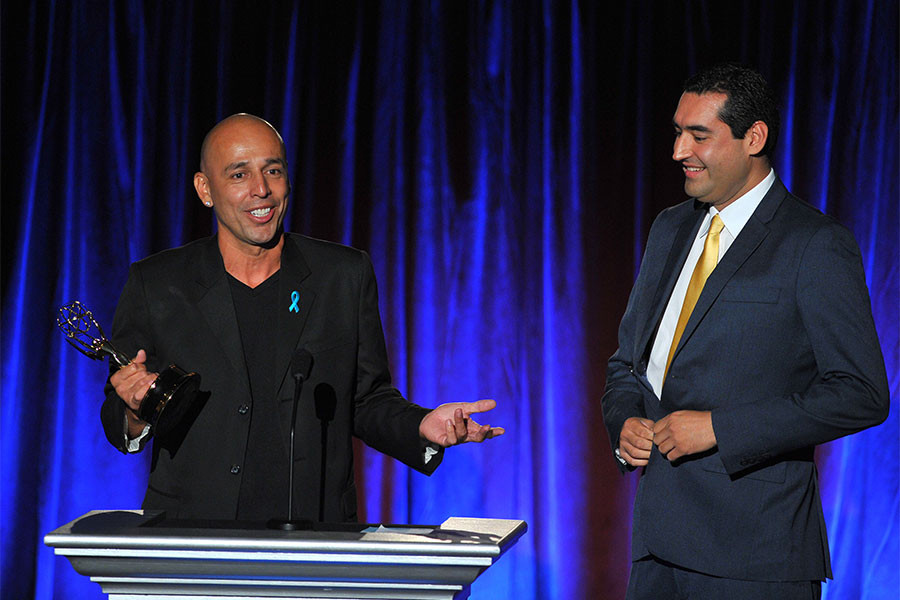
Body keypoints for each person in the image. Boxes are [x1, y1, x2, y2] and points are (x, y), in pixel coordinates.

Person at [101, 113, 504, 522]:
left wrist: (421, 426)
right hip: (192, 540)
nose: (262, 190)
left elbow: (365, 400)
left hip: (315, 537)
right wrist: (135, 410)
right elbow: (116, 415)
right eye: (239, 175)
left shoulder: (342, 275)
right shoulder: (157, 283)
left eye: (272, 171)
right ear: (205, 189)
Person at [601, 64, 889, 599]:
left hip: (755, 557)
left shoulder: (815, 244)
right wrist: (624, 423)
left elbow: (862, 395)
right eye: (677, 132)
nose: (678, 151)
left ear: (753, 137)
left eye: (699, 135)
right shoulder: (669, 228)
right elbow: (627, 365)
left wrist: (720, 429)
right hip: (657, 549)